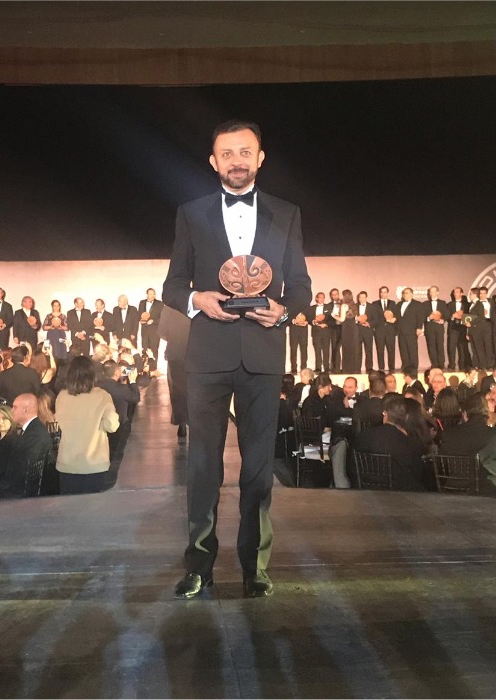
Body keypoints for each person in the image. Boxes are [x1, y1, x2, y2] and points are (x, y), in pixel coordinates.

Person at [162, 119, 311, 599]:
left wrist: (284, 312)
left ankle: (255, 568)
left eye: (245, 151)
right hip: (207, 355)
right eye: (227, 153)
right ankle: (199, 566)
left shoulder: (286, 213)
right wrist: (196, 300)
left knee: (258, 469)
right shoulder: (191, 213)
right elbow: (172, 285)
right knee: (203, 467)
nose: (237, 161)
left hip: (263, 355)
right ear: (213, 162)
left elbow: (301, 286)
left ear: (260, 158)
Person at [54, 356, 119, 494]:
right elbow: (112, 425)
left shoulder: (62, 396)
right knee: (93, 506)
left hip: (67, 463)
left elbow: (59, 422)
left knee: (69, 506)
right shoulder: (102, 396)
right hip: (95, 463)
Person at [354, 394, 426, 491]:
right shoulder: (409, 442)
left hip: (367, 488)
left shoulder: (364, 436)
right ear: (406, 418)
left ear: (386, 415)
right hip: (401, 493)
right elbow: (417, 473)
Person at [0, 393, 53, 499]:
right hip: (18, 489)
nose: (11, 411)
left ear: (26, 410)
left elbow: (24, 467)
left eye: (15, 407)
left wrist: (0, 485)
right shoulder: (31, 430)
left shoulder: (34, 434)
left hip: (21, 495)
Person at [158, 305, 191, 439]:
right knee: (193, 389)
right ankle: (192, 421)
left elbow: (162, 332)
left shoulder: (168, 308)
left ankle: (181, 421)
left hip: (175, 352)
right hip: (192, 352)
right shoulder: (195, 304)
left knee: (177, 389)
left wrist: (174, 336)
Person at [395, 288, 423, 370]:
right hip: (401, 330)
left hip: (411, 330)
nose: (404, 294)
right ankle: (405, 366)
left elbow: (420, 317)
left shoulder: (417, 304)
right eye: (403, 293)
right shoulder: (399, 304)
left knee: (412, 349)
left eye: (406, 293)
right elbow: (397, 316)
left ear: (411, 294)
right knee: (403, 349)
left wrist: (419, 327)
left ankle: (414, 367)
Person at [423, 286, 449, 369]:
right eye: (430, 292)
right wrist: (428, 318)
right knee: (431, 347)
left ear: (437, 292)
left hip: (439, 328)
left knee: (440, 346)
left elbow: (447, 314)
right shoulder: (425, 304)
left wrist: (443, 320)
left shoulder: (442, 303)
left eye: (433, 291)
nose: (431, 293)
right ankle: (434, 364)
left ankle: (441, 364)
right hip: (429, 328)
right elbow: (422, 316)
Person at [305, 292, 332, 373]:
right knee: (317, 350)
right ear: (317, 298)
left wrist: (326, 324)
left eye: (323, 297)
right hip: (316, 331)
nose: (322, 299)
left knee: (326, 350)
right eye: (320, 297)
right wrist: (314, 321)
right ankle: (318, 367)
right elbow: (309, 318)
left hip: (326, 331)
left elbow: (331, 319)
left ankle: (326, 367)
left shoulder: (328, 307)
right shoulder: (312, 308)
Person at [372, 286, 397, 372]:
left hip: (390, 330)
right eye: (381, 292)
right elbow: (373, 317)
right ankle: (381, 369)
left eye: (385, 292)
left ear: (387, 293)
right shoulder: (375, 304)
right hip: (379, 331)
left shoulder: (392, 303)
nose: (383, 294)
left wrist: (394, 319)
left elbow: (396, 315)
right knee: (380, 350)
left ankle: (392, 369)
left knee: (391, 350)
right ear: (379, 293)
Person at [447, 286, 472, 371]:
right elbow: (447, 316)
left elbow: (470, 316)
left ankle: (462, 365)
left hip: (463, 328)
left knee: (462, 347)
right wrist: (453, 316)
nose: (455, 294)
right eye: (454, 292)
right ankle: (452, 365)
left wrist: (463, 317)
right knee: (451, 347)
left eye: (457, 292)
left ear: (462, 293)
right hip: (453, 328)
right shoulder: (450, 304)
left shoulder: (467, 304)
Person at [138, 288, 164, 364]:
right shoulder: (142, 303)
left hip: (154, 332)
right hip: (144, 331)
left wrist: (153, 321)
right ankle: (145, 368)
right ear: (147, 295)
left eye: (153, 294)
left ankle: (154, 368)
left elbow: (162, 318)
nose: (152, 295)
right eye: (150, 294)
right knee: (145, 350)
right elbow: (139, 314)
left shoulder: (160, 304)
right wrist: (141, 320)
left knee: (154, 350)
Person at [336, 289, 358, 374]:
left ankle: (346, 369)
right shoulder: (354, 305)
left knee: (346, 349)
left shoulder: (344, 305)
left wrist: (333, 315)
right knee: (352, 349)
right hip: (353, 328)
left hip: (346, 328)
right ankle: (352, 368)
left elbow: (341, 319)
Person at [355, 291, 376, 373]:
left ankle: (369, 368)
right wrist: (356, 320)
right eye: (360, 297)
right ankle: (357, 367)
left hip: (368, 331)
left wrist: (369, 323)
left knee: (369, 350)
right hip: (357, 331)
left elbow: (376, 319)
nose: (362, 299)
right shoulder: (354, 306)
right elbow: (350, 318)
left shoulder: (372, 307)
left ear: (366, 298)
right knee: (357, 350)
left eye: (363, 297)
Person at [289, 310, 308, 375]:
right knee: (293, 349)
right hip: (294, 330)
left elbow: (310, 316)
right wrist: (293, 321)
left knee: (304, 349)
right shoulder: (292, 308)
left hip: (303, 330)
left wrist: (306, 321)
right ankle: (294, 368)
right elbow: (287, 317)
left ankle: (304, 367)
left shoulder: (306, 308)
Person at [328, 288, 342, 373]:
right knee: (334, 348)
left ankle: (345, 367)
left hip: (344, 328)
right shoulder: (328, 306)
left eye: (336, 294)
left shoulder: (343, 304)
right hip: (334, 328)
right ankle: (335, 367)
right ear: (331, 296)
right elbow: (328, 319)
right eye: (333, 294)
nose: (335, 296)